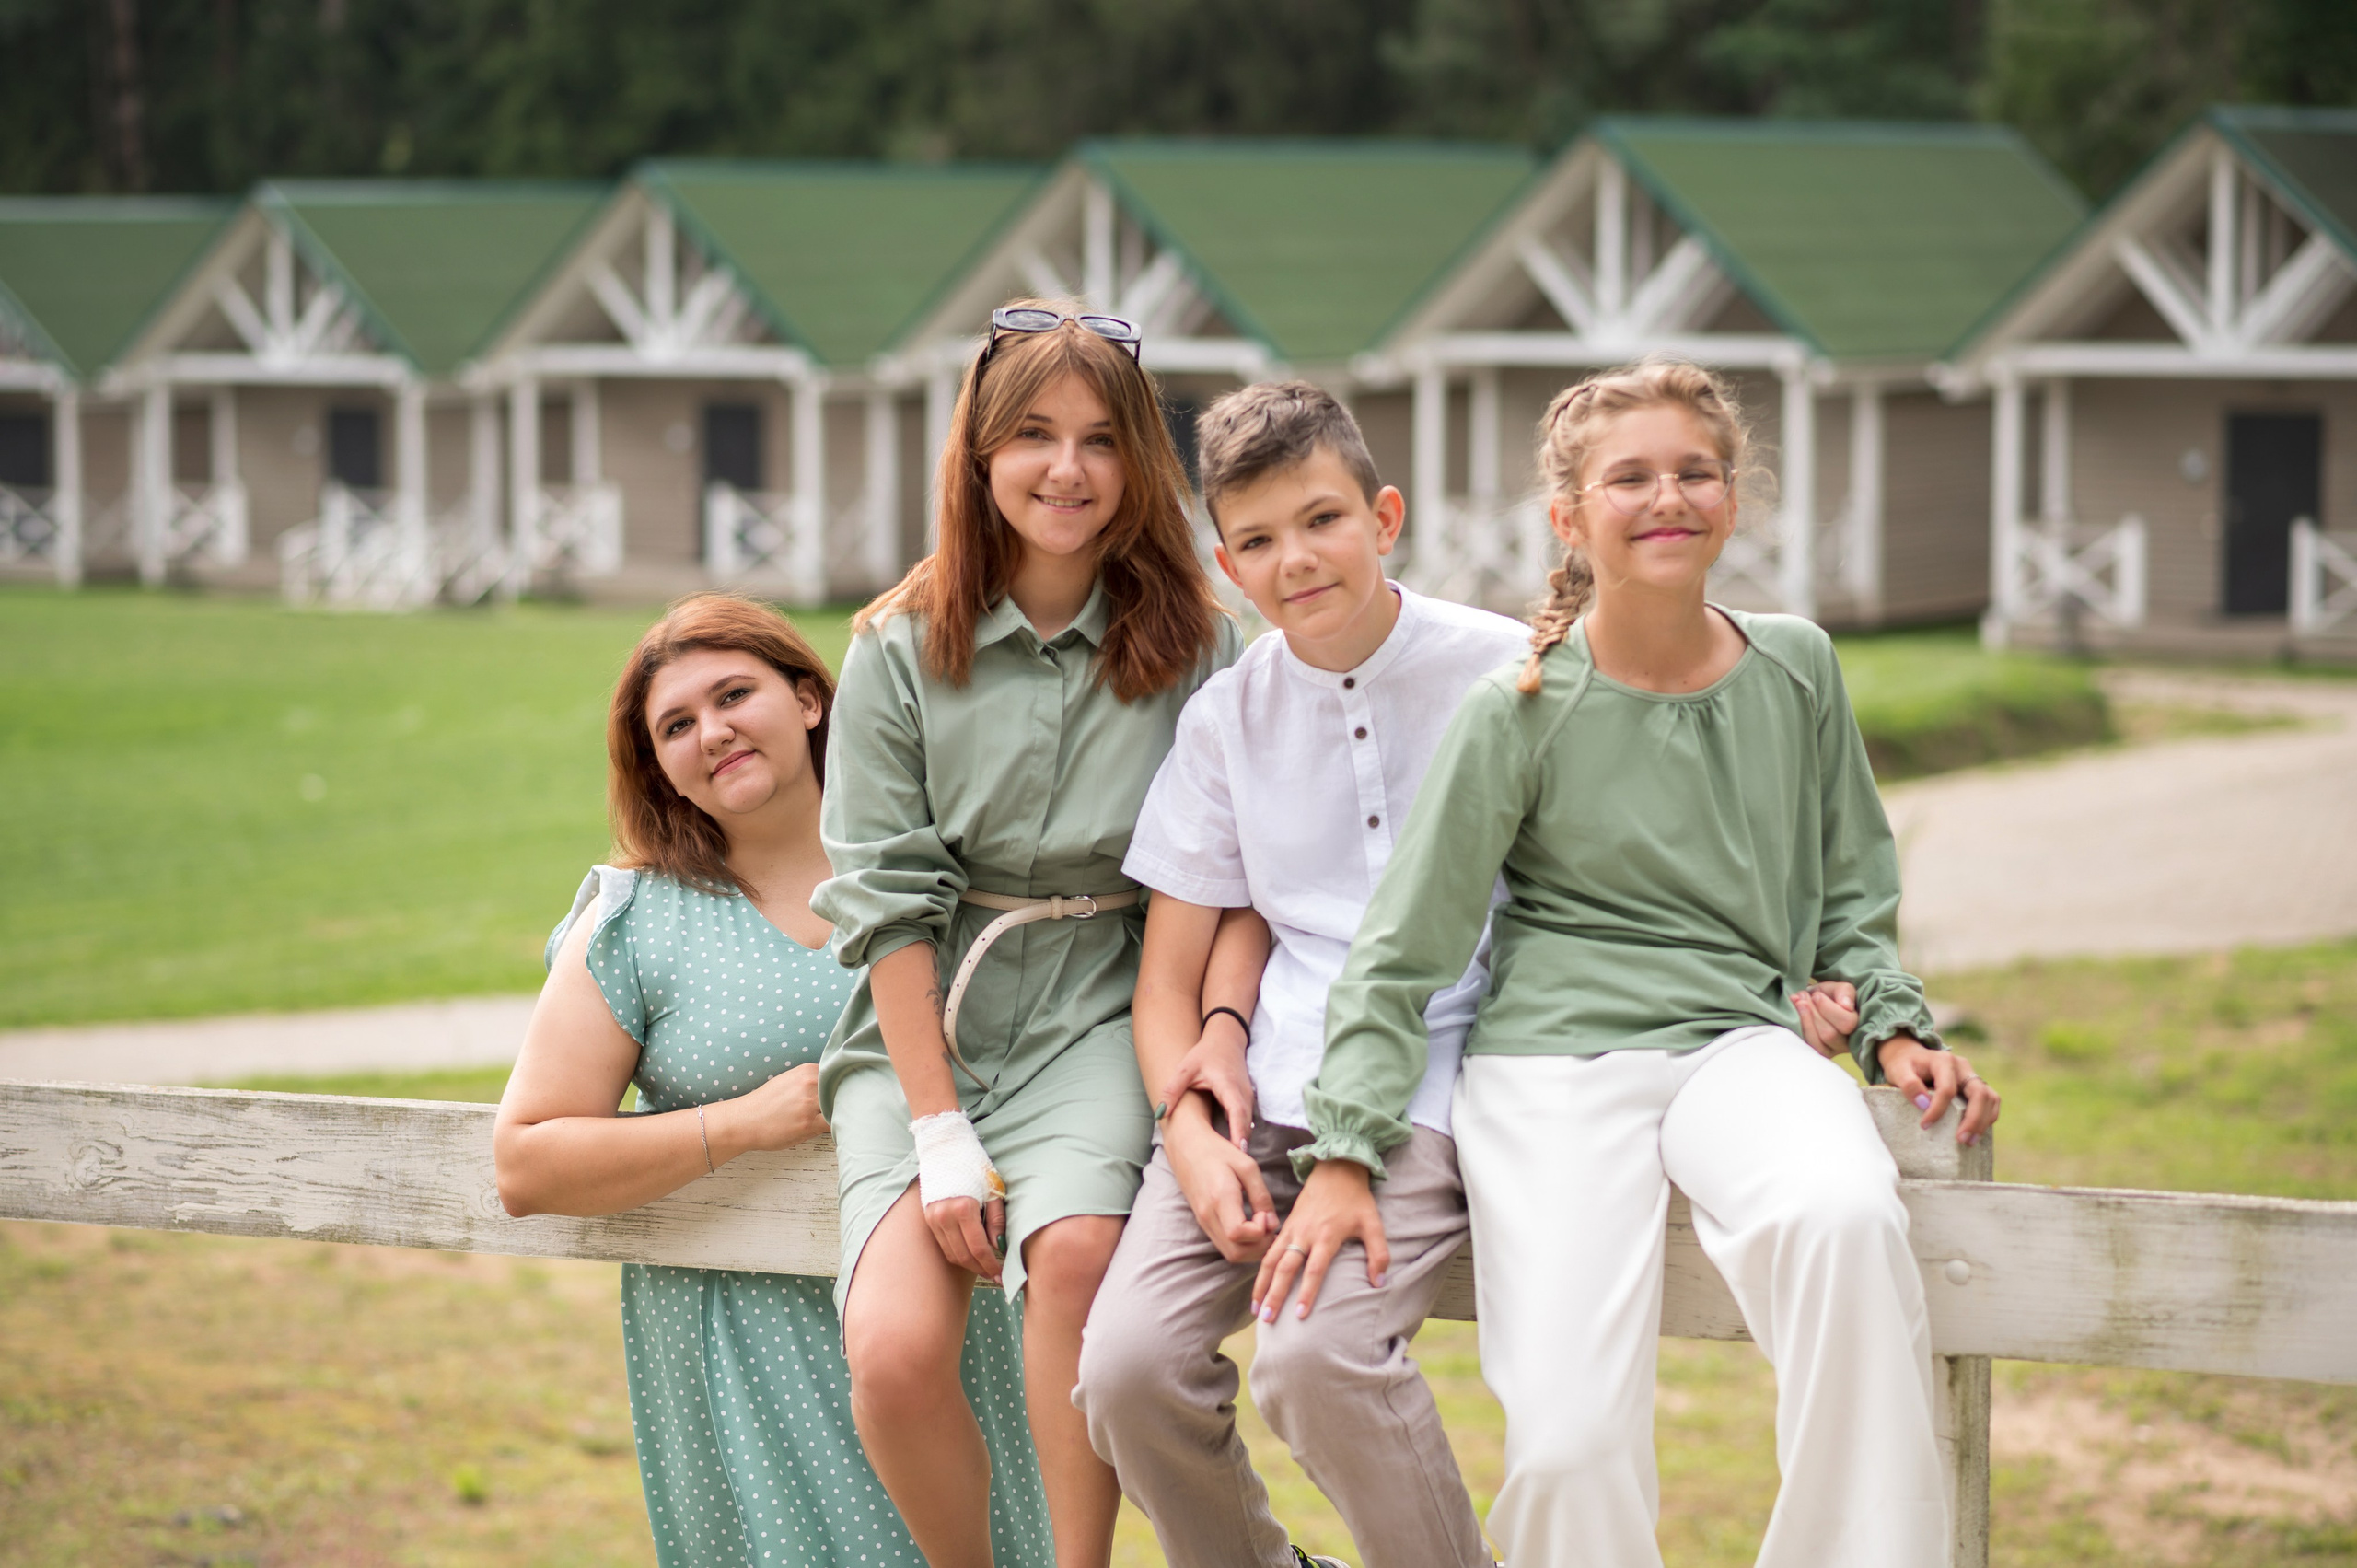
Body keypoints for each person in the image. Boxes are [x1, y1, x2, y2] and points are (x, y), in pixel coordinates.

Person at [1268, 357, 2003, 1568]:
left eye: (1694, 471)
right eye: (1630, 478)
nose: (1668, 496)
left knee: (1843, 1216)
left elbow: (1855, 890)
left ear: (1733, 498)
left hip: (1742, 1045)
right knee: (1567, 1442)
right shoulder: (1520, 703)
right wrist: (1346, 1144)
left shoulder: (1798, 666)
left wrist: (1892, 1027)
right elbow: (1403, 949)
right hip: (1552, 1069)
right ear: (1570, 517)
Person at [812, 302, 1251, 1568]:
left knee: (1077, 1256)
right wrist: (938, 1130)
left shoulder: (1204, 644)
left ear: (1140, 461)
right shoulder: (896, 647)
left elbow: (1240, 876)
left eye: (1102, 439)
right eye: (1035, 436)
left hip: (1103, 1006)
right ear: (981, 452)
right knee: (894, 1351)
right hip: (925, 1020)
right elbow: (886, 898)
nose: (1068, 468)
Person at [492, 593, 1052, 1568]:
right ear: (657, 765)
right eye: (675, 725)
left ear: (808, 698)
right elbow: (525, 1161)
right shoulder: (636, 921)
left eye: (732, 694)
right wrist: (742, 1123)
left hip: (947, 1324)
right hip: (736, 1341)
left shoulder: (941, 872)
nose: (711, 732)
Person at [1070, 380, 1521, 1568]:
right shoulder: (1227, 718)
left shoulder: (1509, 672)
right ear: (1227, 566)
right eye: (1260, 540)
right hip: (1262, 1088)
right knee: (1124, 1370)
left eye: (1322, 519)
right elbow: (1165, 984)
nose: (1298, 559)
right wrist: (1187, 1135)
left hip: (1432, 1085)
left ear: (1384, 516)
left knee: (1317, 1363)